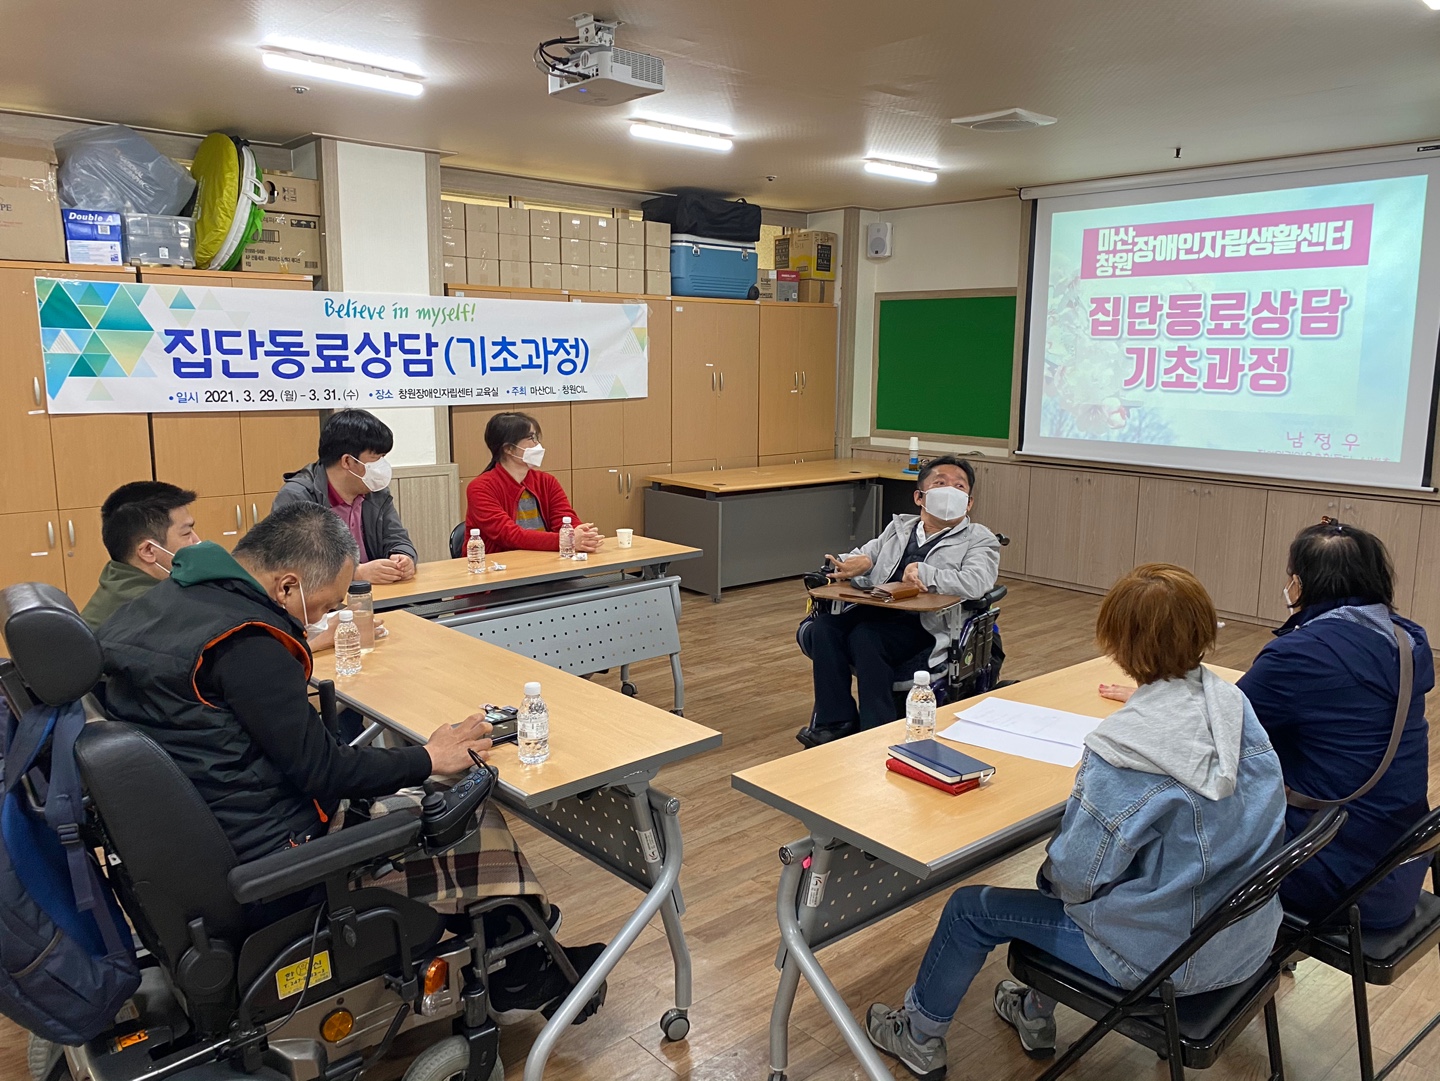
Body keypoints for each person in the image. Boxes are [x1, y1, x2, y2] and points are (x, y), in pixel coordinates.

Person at [97, 502, 601, 1018]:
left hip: (202, 853)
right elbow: (325, 772)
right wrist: (428, 757)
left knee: (424, 799)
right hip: (279, 868)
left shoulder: (153, 607)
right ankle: (525, 971)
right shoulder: (247, 643)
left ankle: (519, 956)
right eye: (324, 605)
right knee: (470, 818)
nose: (321, 619)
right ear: (287, 586)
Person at [866, 565, 1287, 1077]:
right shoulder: (1232, 705)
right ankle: (1034, 1010)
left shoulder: (1125, 750)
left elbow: (1074, 877)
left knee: (971, 907)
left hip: (1167, 957)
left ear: (1118, 644)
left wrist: (1060, 868)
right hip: (1245, 935)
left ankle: (918, 1035)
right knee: (1085, 883)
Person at [1238, 521, 1432, 930]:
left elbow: (1221, 729)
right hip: (1396, 869)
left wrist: (1173, 699)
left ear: (1300, 584)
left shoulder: (1301, 654)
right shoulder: (1405, 640)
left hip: (1333, 872)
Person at [796, 456, 1001, 746]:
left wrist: (926, 573)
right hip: (877, 609)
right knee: (824, 628)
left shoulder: (979, 538)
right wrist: (848, 565)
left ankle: (876, 729)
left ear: (969, 503)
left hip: (926, 624)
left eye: (959, 487)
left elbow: (977, 582)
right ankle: (836, 722)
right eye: (940, 483)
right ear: (920, 497)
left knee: (866, 637)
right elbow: (862, 555)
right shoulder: (899, 528)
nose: (949, 491)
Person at [273, 408, 418, 584]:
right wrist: (355, 573)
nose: (382, 465)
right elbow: (292, 564)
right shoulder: (297, 497)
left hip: (376, 592)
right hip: (323, 597)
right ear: (347, 461)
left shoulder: (375, 491)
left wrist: (403, 556)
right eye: (376, 458)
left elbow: (397, 538)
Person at [465, 411, 602, 554]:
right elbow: (509, 535)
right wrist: (566, 540)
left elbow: (565, 519)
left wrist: (582, 535)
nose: (537, 444)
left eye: (536, 437)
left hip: (546, 560)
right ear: (508, 448)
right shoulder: (481, 488)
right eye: (531, 438)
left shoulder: (546, 481)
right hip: (498, 564)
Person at [81, 481, 200, 630]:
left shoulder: (117, 576)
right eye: (186, 533)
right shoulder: (159, 611)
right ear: (148, 551)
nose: (197, 541)